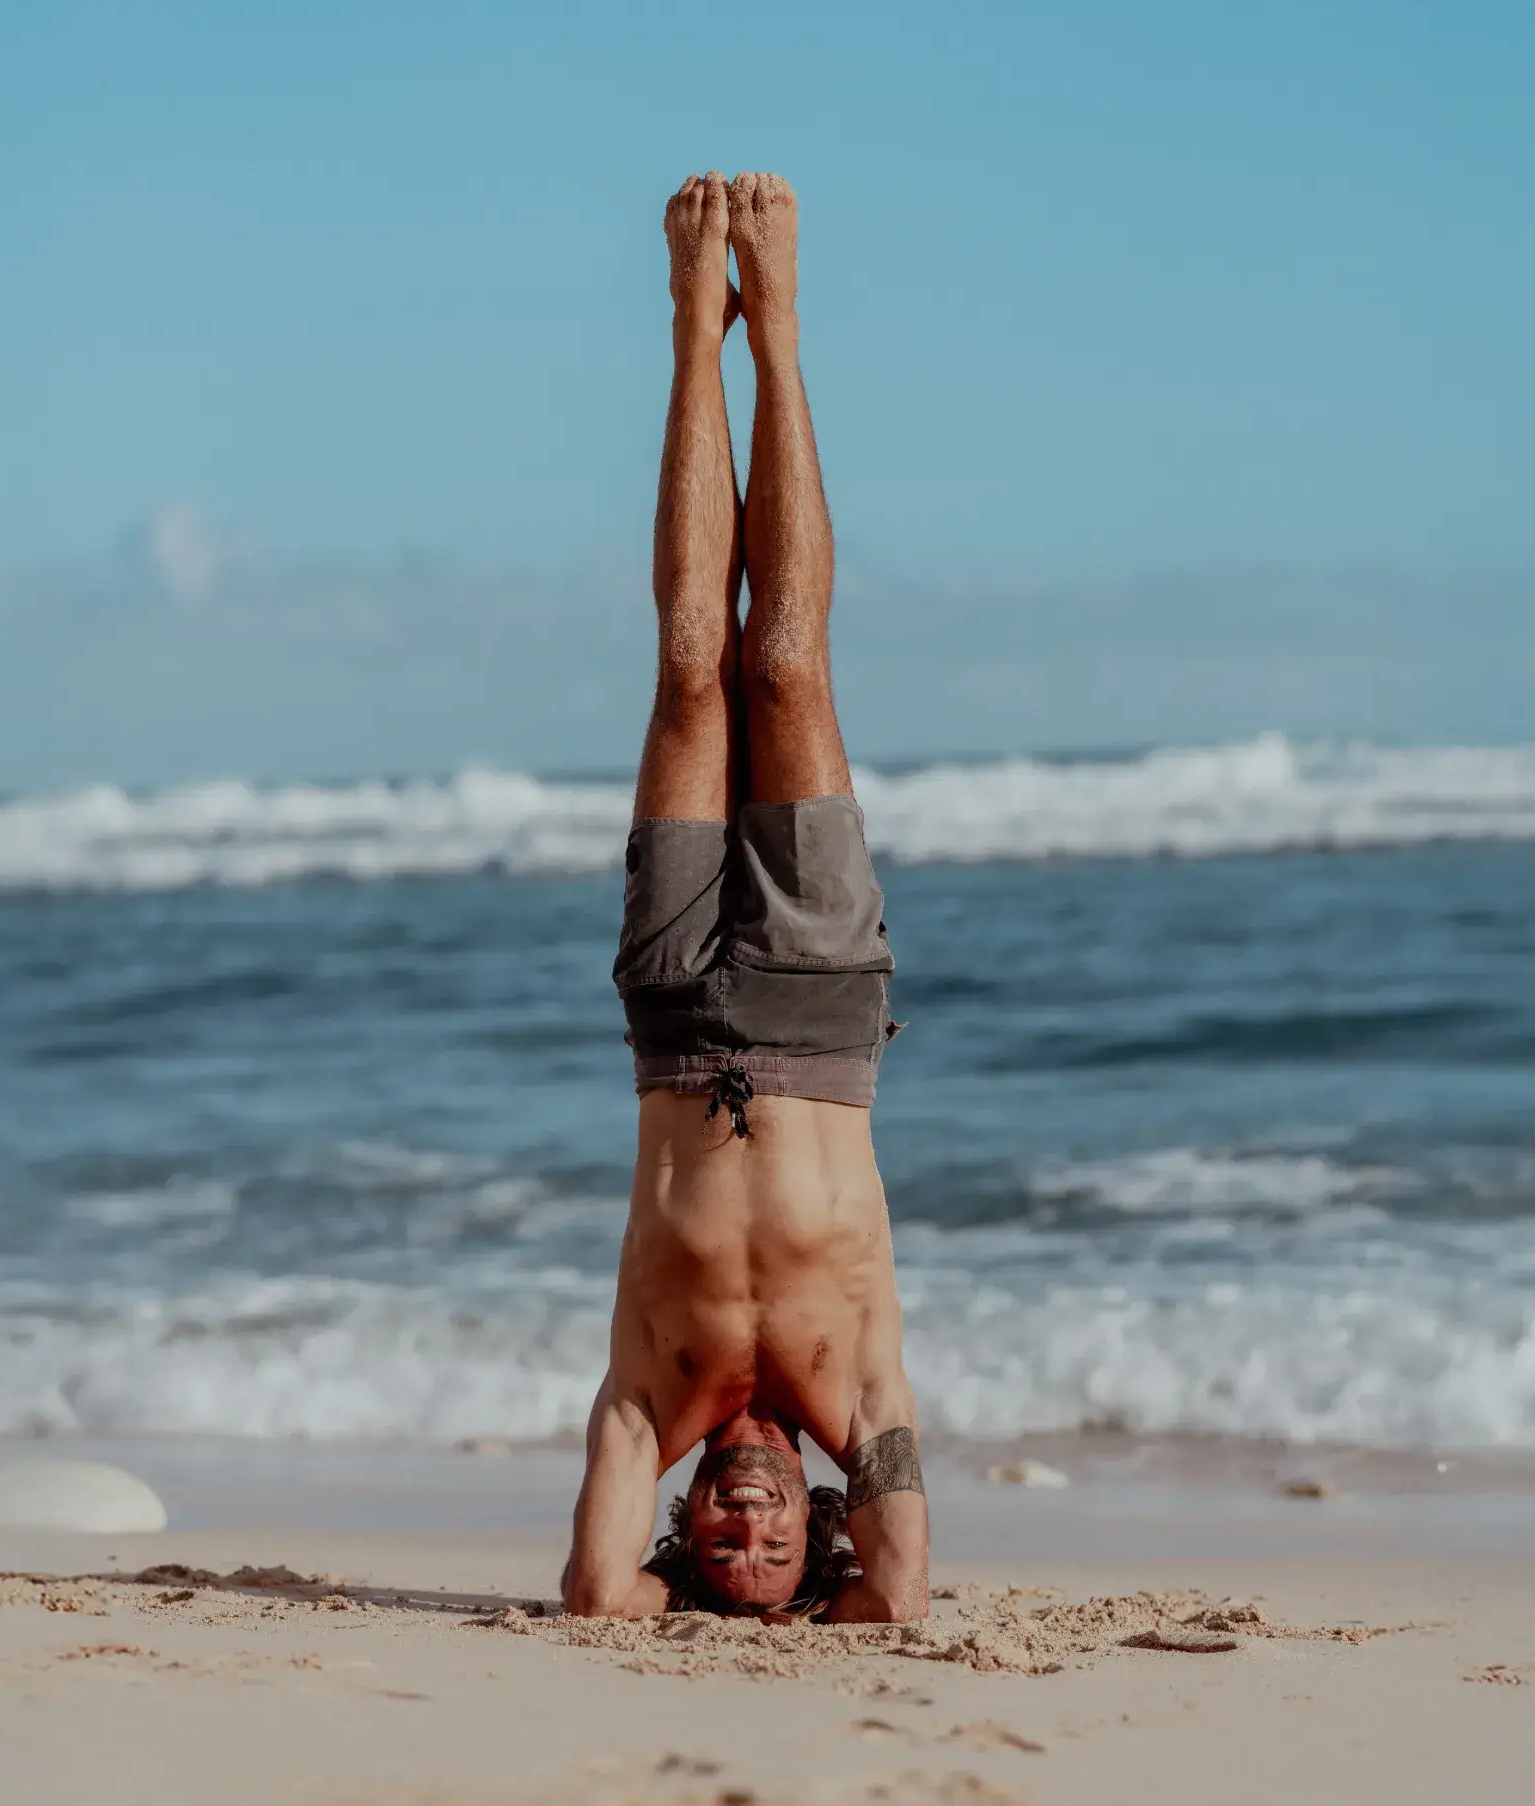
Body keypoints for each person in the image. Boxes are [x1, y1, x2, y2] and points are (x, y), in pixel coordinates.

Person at [559, 173, 928, 1623]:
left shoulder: (654, 1399)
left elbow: (598, 1592)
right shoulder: (860, 1398)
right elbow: (896, 1600)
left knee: (688, 666)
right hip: (823, 1009)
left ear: (689, 1521)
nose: (748, 1532)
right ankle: (774, 328)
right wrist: (838, 1587)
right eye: (776, 1553)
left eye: (722, 1549)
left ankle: (682, 334)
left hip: (670, 1018)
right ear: (817, 1535)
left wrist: (661, 1598)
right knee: (786, 667)